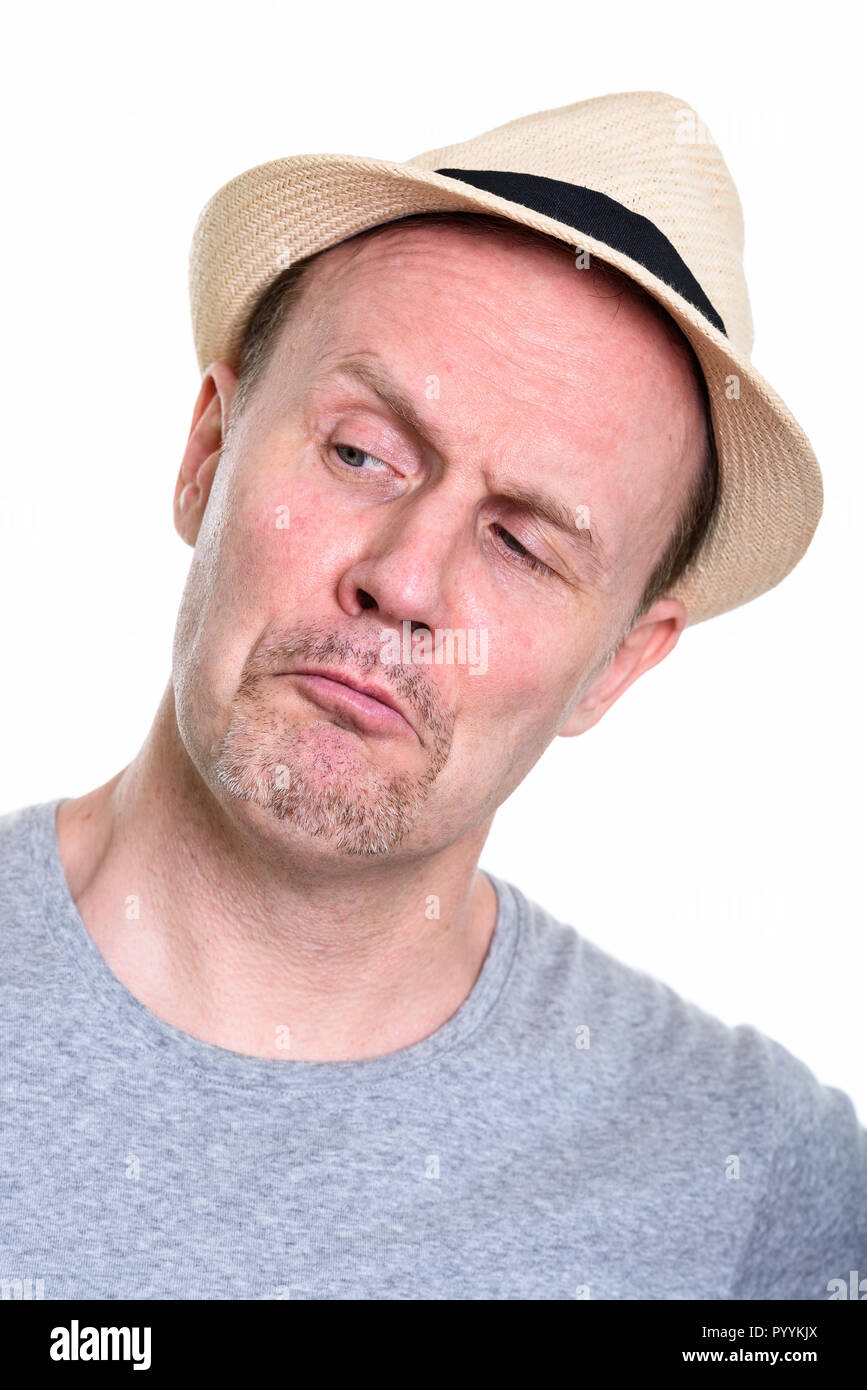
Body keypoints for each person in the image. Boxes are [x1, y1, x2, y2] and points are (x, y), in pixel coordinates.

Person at [1, 91, 863, 1301]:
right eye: (361, 454)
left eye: (523, 543)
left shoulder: (761, 1198)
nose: (404, 580)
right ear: (207, 451)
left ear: (619, 663)